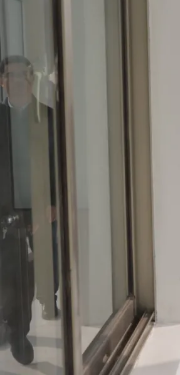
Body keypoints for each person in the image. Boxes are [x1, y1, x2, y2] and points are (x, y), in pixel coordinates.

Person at [0, 55, 60, 366]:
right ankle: (14, 328)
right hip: (4, 209)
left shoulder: (47, 116)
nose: (18, 81)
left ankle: (36, 310)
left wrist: (54, 201)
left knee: (38, 271)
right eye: (11, 75)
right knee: (11, 274)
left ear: (31, 79)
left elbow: (60, 162)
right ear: (2, 82)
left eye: (23, 75)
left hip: (39, 206)